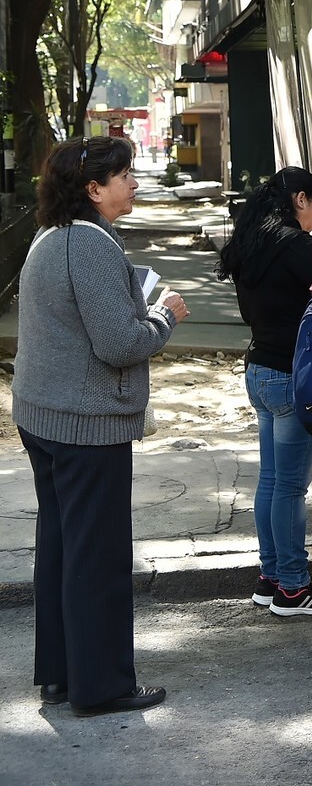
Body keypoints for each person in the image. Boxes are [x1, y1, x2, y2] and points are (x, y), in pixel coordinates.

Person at [14, 136, 188, 716]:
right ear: (93, 188)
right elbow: (121, 343)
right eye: (125, 175)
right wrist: (163, 313)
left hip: (45, 416)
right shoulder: (89, 244)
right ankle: (103, 685)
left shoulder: (50, 237)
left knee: (63, 550)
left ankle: (62, 675)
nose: (134, 184)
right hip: (85, 424)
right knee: (99, 559)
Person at [217, 167, 312, 617]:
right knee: (290, 487)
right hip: (292, 373)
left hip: (260, 370)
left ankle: (271, 577)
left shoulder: (252, 241)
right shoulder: (295, 245)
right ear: (299, 199)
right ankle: (293, 587)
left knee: (272, 481)